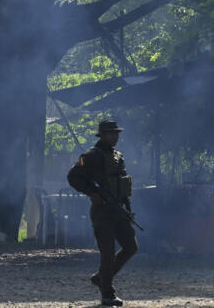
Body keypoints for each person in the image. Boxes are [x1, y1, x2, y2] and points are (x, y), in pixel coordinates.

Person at [66, 120, 138, 307]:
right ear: (102, 135)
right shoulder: (91, 156)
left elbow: (123, 186)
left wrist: (128, 211)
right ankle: (107, 293)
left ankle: (102, 278)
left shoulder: (117, 156)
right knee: (108, 253)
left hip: (119, 209)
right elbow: (73, 176)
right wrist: (92, 193)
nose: (114, 137)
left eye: (116, 133)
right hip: (103, 211)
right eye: (110, 133)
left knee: (131, 247)